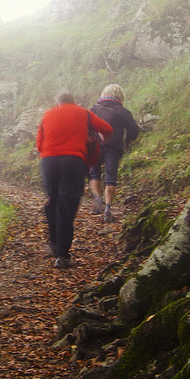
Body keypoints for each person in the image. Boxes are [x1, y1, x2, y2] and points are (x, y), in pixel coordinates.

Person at [35, 91, 113, 269]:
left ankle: (53, 244)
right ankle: (62, 256)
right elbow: (108, 129)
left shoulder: (47, 114)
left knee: (53, 201)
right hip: (73, 161)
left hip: (48, 162)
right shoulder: (83, 112)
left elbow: (39, 145)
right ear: (74, 101)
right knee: (66, 207)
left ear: (57, 103)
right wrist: (102, 140)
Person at [88, 83, 140, 223]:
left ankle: (98, 202)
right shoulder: (122, 112)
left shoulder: (94, 109)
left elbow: (87, 127)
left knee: (94, 173)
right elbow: (134, 130)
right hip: (114, 146)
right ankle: (107, 209)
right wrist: (127, 140)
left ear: (104, 94)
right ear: (120, 96)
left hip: (95, 146)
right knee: (111, 176)